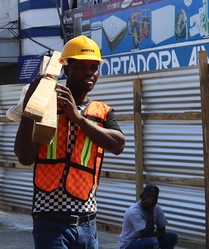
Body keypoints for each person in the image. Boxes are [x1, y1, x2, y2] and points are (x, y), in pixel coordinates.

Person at [14, 35, 126, 248]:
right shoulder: (46, 108)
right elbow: (25, 157)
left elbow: (118, 145)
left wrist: (78, 118)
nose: (90, 73)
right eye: (82, 66)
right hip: (50, 221)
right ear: (66, 69)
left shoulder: (102, 112)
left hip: (87, 222)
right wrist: (31, 107)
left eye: (94, 67)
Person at [119, 185, 178, 249]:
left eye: (155, 196)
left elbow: (162, 228)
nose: (152, 198)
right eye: (149, 195)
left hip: (145, 239)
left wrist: (155, 236)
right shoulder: (133, 211)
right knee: (151, 242)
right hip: (129, 244)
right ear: (142, 196)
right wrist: (150, 210)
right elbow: (148, 233)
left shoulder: (157, 208)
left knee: (171, 236)